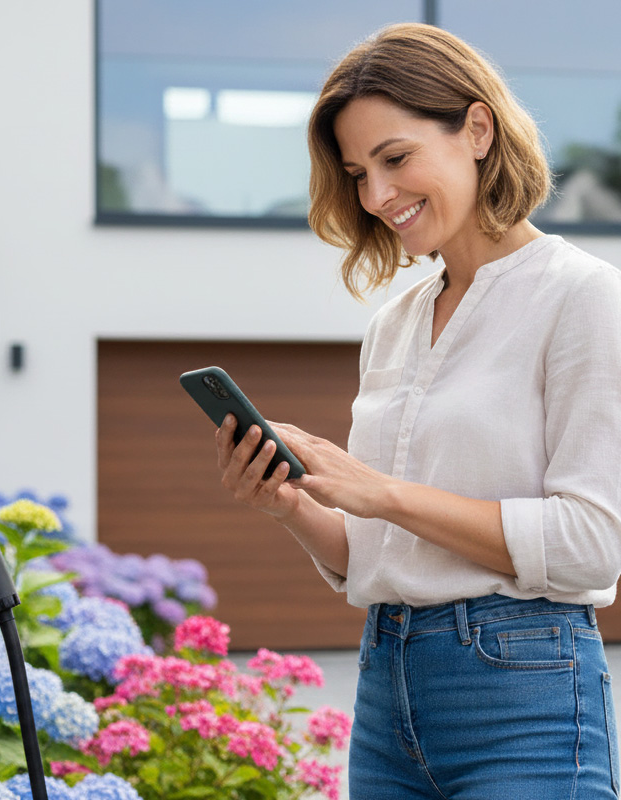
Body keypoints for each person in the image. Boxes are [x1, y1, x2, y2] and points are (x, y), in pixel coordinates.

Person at [214, 22, 621, 799]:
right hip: (386, 690)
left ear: (476, 128)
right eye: (359, 172)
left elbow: (592, 544)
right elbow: (376, 555)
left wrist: (383, 493)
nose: (376, 196)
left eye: (395, 159)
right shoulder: (394, 322)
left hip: (524, 694)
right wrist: (292, 503)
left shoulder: (581, 295)